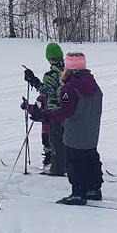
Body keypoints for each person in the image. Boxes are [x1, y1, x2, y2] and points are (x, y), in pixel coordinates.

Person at [25, 52, 104, 205]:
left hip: (75, 130)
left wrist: (45, 115)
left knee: (75, 162)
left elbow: (66, 110)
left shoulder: (71, 87)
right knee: (90, 158)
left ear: (70, 67)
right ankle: (93, 189)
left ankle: (78, 193)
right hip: (91, 129)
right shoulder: (92, 82)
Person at [23, 42, 66, 176]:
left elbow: (46, 91)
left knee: (55, 139)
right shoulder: (69, 69)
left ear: (49, 58)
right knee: (66, 138)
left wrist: (33, 80)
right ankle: (67, 162)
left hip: (55, 110)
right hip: (69, 109)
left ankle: (58, 166)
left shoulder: (51, 74)